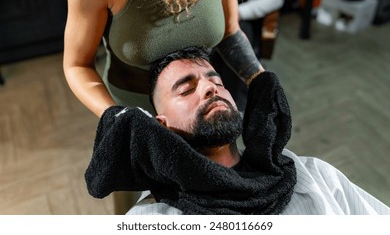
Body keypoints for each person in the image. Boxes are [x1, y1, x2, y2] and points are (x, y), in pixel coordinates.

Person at [63, 0, 296, 213]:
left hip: (199, 110)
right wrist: (122, 119)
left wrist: (260, 81)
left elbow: (229, 32)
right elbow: (76, 65)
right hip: (136, 116)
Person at [85, 47, 390, 215]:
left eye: (216, 81)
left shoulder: (314, 175)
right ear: (160, 126)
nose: (209, 88)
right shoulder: (151, 220)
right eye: (186, 89)